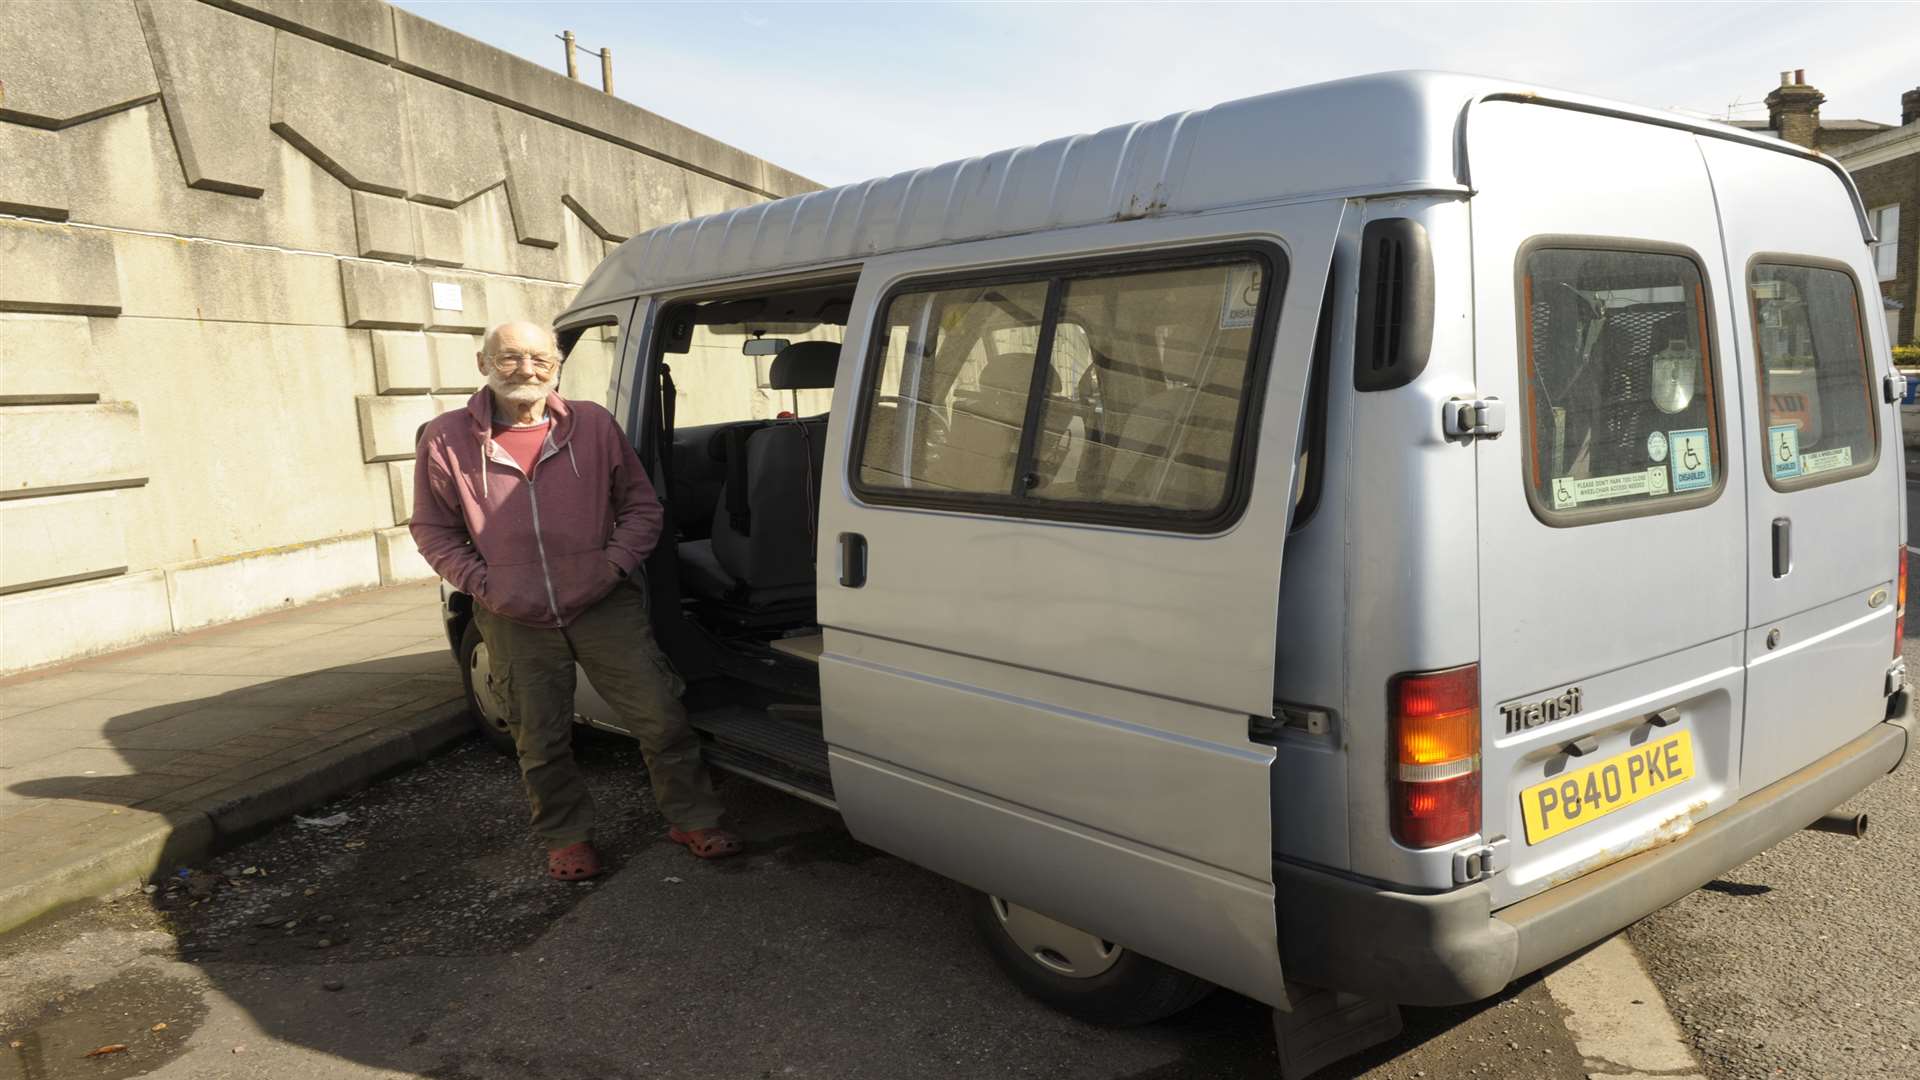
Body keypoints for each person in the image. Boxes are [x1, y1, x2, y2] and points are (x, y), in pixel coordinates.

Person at [410, 320, 740, 880]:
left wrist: (611, 566)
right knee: (539, 736)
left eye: (539, 358)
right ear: (482, 363)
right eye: (510, 357)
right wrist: (484, 584)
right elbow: (432, 529)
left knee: (660, 717)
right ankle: (566, 837)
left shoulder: (592, 424)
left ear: (557, 364)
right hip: (513, 614)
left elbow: (641, 508)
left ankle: (692, 817)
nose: (526, 369)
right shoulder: (445, 438)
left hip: (602, 601)